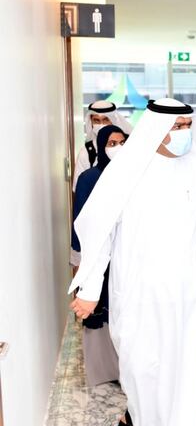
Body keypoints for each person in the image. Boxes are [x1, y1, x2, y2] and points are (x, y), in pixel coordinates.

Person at [68, 98, 196, 426]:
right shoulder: (127, 169)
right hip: (137, 289)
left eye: (188, 126)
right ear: (156, 128)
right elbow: (100, 233)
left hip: (188, 289)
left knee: (183, 365)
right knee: (139, 364)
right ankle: (139, 413)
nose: (184, 133)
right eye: (176, 126)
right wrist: (90, 289)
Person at [71, 125, 126, 387]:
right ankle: (105, 371)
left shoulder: (133, 176)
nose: (117, 147)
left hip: (126, 255)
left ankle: (126, 368)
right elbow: (79, 219)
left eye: (121, 142)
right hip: (97, 256)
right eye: (111, 143)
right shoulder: (89, 178)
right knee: (99, 308)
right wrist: (79, 256)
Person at [73, 100, 133, 191]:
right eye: (96, 121)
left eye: (105, 120)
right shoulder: (86, 152)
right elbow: (78, 188)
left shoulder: (128, 147)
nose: (101, 125)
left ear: (113, 121)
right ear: (91, 123)